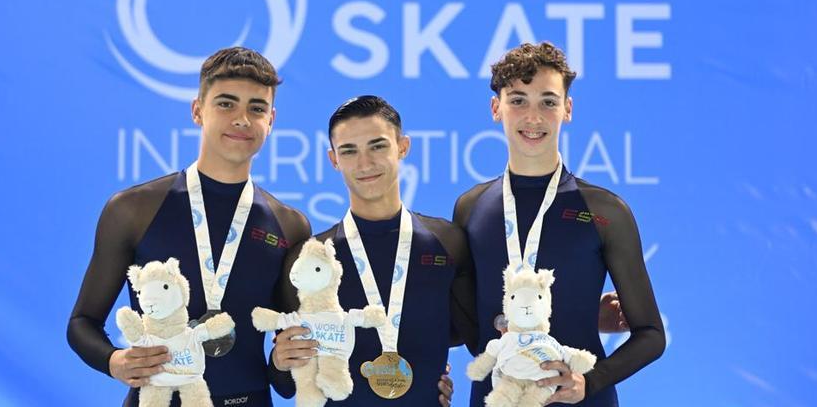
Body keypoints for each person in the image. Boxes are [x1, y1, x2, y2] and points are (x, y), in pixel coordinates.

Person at [67, 47, 312, 407]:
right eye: (226, 104)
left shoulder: (290, 225)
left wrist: (283, 361)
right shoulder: (133, 210)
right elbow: (82, 322)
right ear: (198, 110)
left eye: (256, 108)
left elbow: (287, 383)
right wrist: (115, 361)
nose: (242, 119)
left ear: (271, 119)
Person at [453, 42, 665, 406]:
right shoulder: (471, 208)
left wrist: (591, 380)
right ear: (495, 108)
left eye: (548, 101)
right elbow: (466, 326)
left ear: (567, 109)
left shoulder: (604, 211)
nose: (533, 117)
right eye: (518, 100)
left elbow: (650, 334)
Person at [269, 96, 476, 406]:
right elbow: (285, 384)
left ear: (403, 147)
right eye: (349, 151)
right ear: (333, 159)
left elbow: (472, 337)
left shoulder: (448, 243)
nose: (364, 163)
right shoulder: (311, 260)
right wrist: (279, 360)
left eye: (377, 146)